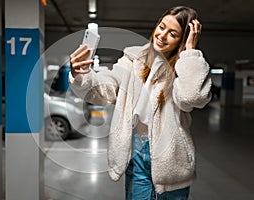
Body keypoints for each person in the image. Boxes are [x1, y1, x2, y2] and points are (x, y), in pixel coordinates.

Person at [69, 6, 212, 200]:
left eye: (173, 33)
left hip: (171, 156)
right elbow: (106, 88)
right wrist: (81, 75)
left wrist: (190, 52)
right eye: (161, 27)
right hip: (136, 150)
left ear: (183, 39)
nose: (162, 35)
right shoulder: (132, 60)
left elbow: (191, 97)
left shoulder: (185, 68)